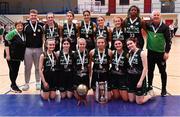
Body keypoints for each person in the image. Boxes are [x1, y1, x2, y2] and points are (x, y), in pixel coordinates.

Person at [146, 10, 172, 96]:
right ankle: (149, 86)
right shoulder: (148, 25)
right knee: (150, 71)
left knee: (162, 71)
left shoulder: (165, 27)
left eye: (157, 15)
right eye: (154, 15)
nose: (156, 16)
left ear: (160, 16)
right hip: (150, 53)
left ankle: (163, 88)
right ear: (151, 17)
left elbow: (169, 41)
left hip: (161, 54)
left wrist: (167, 52)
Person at [126, 37, 154, 104]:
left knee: (139, 102)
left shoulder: (142, 53)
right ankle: (139, 94)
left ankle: (150, 94)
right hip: (131, 78)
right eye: (128, 45)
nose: (129, 45)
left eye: (131, 43)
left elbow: (145, 68)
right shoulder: (129, 53)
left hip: (139, 78)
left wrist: (140, 81)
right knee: (131, 100)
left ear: (135, 43)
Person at [23, 9, 44, 91]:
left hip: (39, 49)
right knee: (27, 67)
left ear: (37, 16)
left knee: (38, 67)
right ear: (29, 16)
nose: (33, 17)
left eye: (35, 15)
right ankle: (26, 83)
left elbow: (45, 35)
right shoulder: (25, 25)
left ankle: (38, 83)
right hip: (28, 49)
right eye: (32, 15)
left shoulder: (41, 25)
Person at [4, 21, 26, 93]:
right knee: (12, 71)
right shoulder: (13, 33)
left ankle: (13, 84)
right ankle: (13, 85)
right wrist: (8, 55)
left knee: (16, 71)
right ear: (15, 26)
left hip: (18, 56)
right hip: (11, 56)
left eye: (21, 26)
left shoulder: (23, 33)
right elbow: (6, 43)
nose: (20, 27)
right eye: (18, 26)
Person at [89, 36, 113, 102]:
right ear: (96, 43)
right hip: (96, 74)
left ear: (105, 43)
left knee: (109, 98)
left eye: (102, 42)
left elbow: (110, 62)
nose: (100, 44)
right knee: (96, 98)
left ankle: (107, 92)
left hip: (106, 74)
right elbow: (91, 62)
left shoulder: (109, 52)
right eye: (98, 42)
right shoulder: (92, 52)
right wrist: (90, 74)